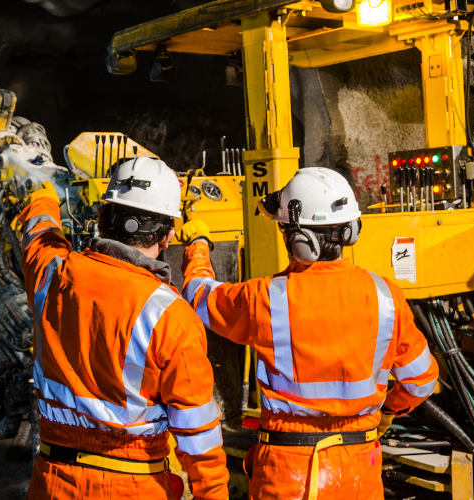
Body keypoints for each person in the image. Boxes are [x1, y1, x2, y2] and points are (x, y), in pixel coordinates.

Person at [178, 167, 438, 500]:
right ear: (350, 230)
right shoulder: (385, 294)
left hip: (288, 471)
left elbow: (200, 296)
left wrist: (198, 244)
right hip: (360, 469)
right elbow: (421, 381)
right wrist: (386, 412)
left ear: (298, 240)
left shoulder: (265, 297)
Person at [15, 156, 229, 500]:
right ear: (168, 236)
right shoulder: (172, 315)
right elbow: (197, 433)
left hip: (52, 482)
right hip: (131, 486)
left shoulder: (52, 275)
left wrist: (43, 197)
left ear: (101, 218)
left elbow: (40, 236)